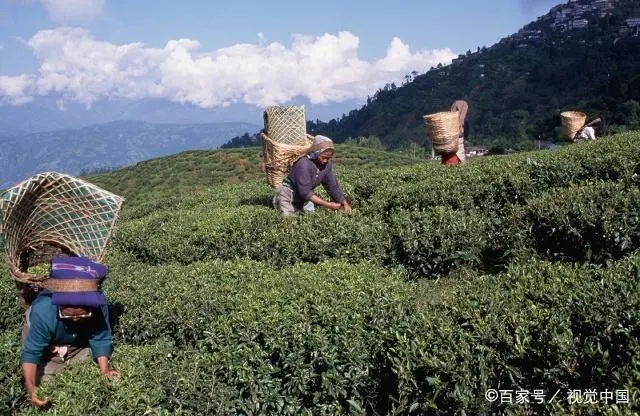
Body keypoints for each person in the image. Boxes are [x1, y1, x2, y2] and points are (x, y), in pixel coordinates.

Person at [20, 256, 119, 409]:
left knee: (93, 382)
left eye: (83, 314)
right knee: (46, 390)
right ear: (60, 303)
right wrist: (31, 388)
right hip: (46, 353)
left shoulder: (98, 305)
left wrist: (105, 370)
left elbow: (100, 337)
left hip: (76, 345)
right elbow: (32, 352)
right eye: (69, 315)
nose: (75, 319)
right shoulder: (43, 310)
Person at [273, 135, 352, 216]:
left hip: (305, 198)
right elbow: (305, 192)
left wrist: (344, 203)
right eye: (323, 157)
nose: (325, 161)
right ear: (315, 153)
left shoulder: (327, 166)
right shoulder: (303, 164)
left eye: (328, 158)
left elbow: (333, 186)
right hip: (288, 195)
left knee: (310, 218)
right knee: (288, 221)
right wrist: (327, 204)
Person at [441, 100, 469, 165]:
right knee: (457, 166)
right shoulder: (464, 121)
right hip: (458, 148)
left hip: (446, 149)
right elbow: (466, 134)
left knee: (447, 167)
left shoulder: (447, 119)